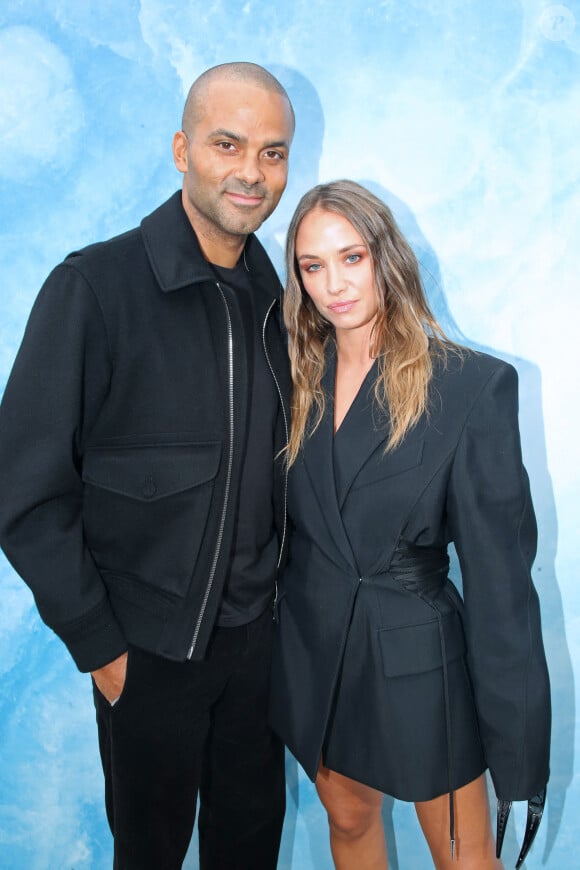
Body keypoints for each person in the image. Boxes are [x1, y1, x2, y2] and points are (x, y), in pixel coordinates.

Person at [0, 62, 294, 869]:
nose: (250, 171)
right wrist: (102, 647)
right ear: (181, 148)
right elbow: (22, 488)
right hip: (147, 652)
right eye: (227, 143)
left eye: (272, 153)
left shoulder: (282, 305)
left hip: (257, 653)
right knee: (150, 857)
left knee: (249, 852)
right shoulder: (93, 286)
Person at [270, 180, 551, 869]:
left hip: (422, 670)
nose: (334, 284)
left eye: (351, 258)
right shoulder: (291, 378)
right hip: (317, 657)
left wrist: (518, 754)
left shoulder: (468, 386)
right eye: (313, 266)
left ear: (385, 258)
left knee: (463, 860)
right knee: (348, 821)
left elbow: (500, 586)